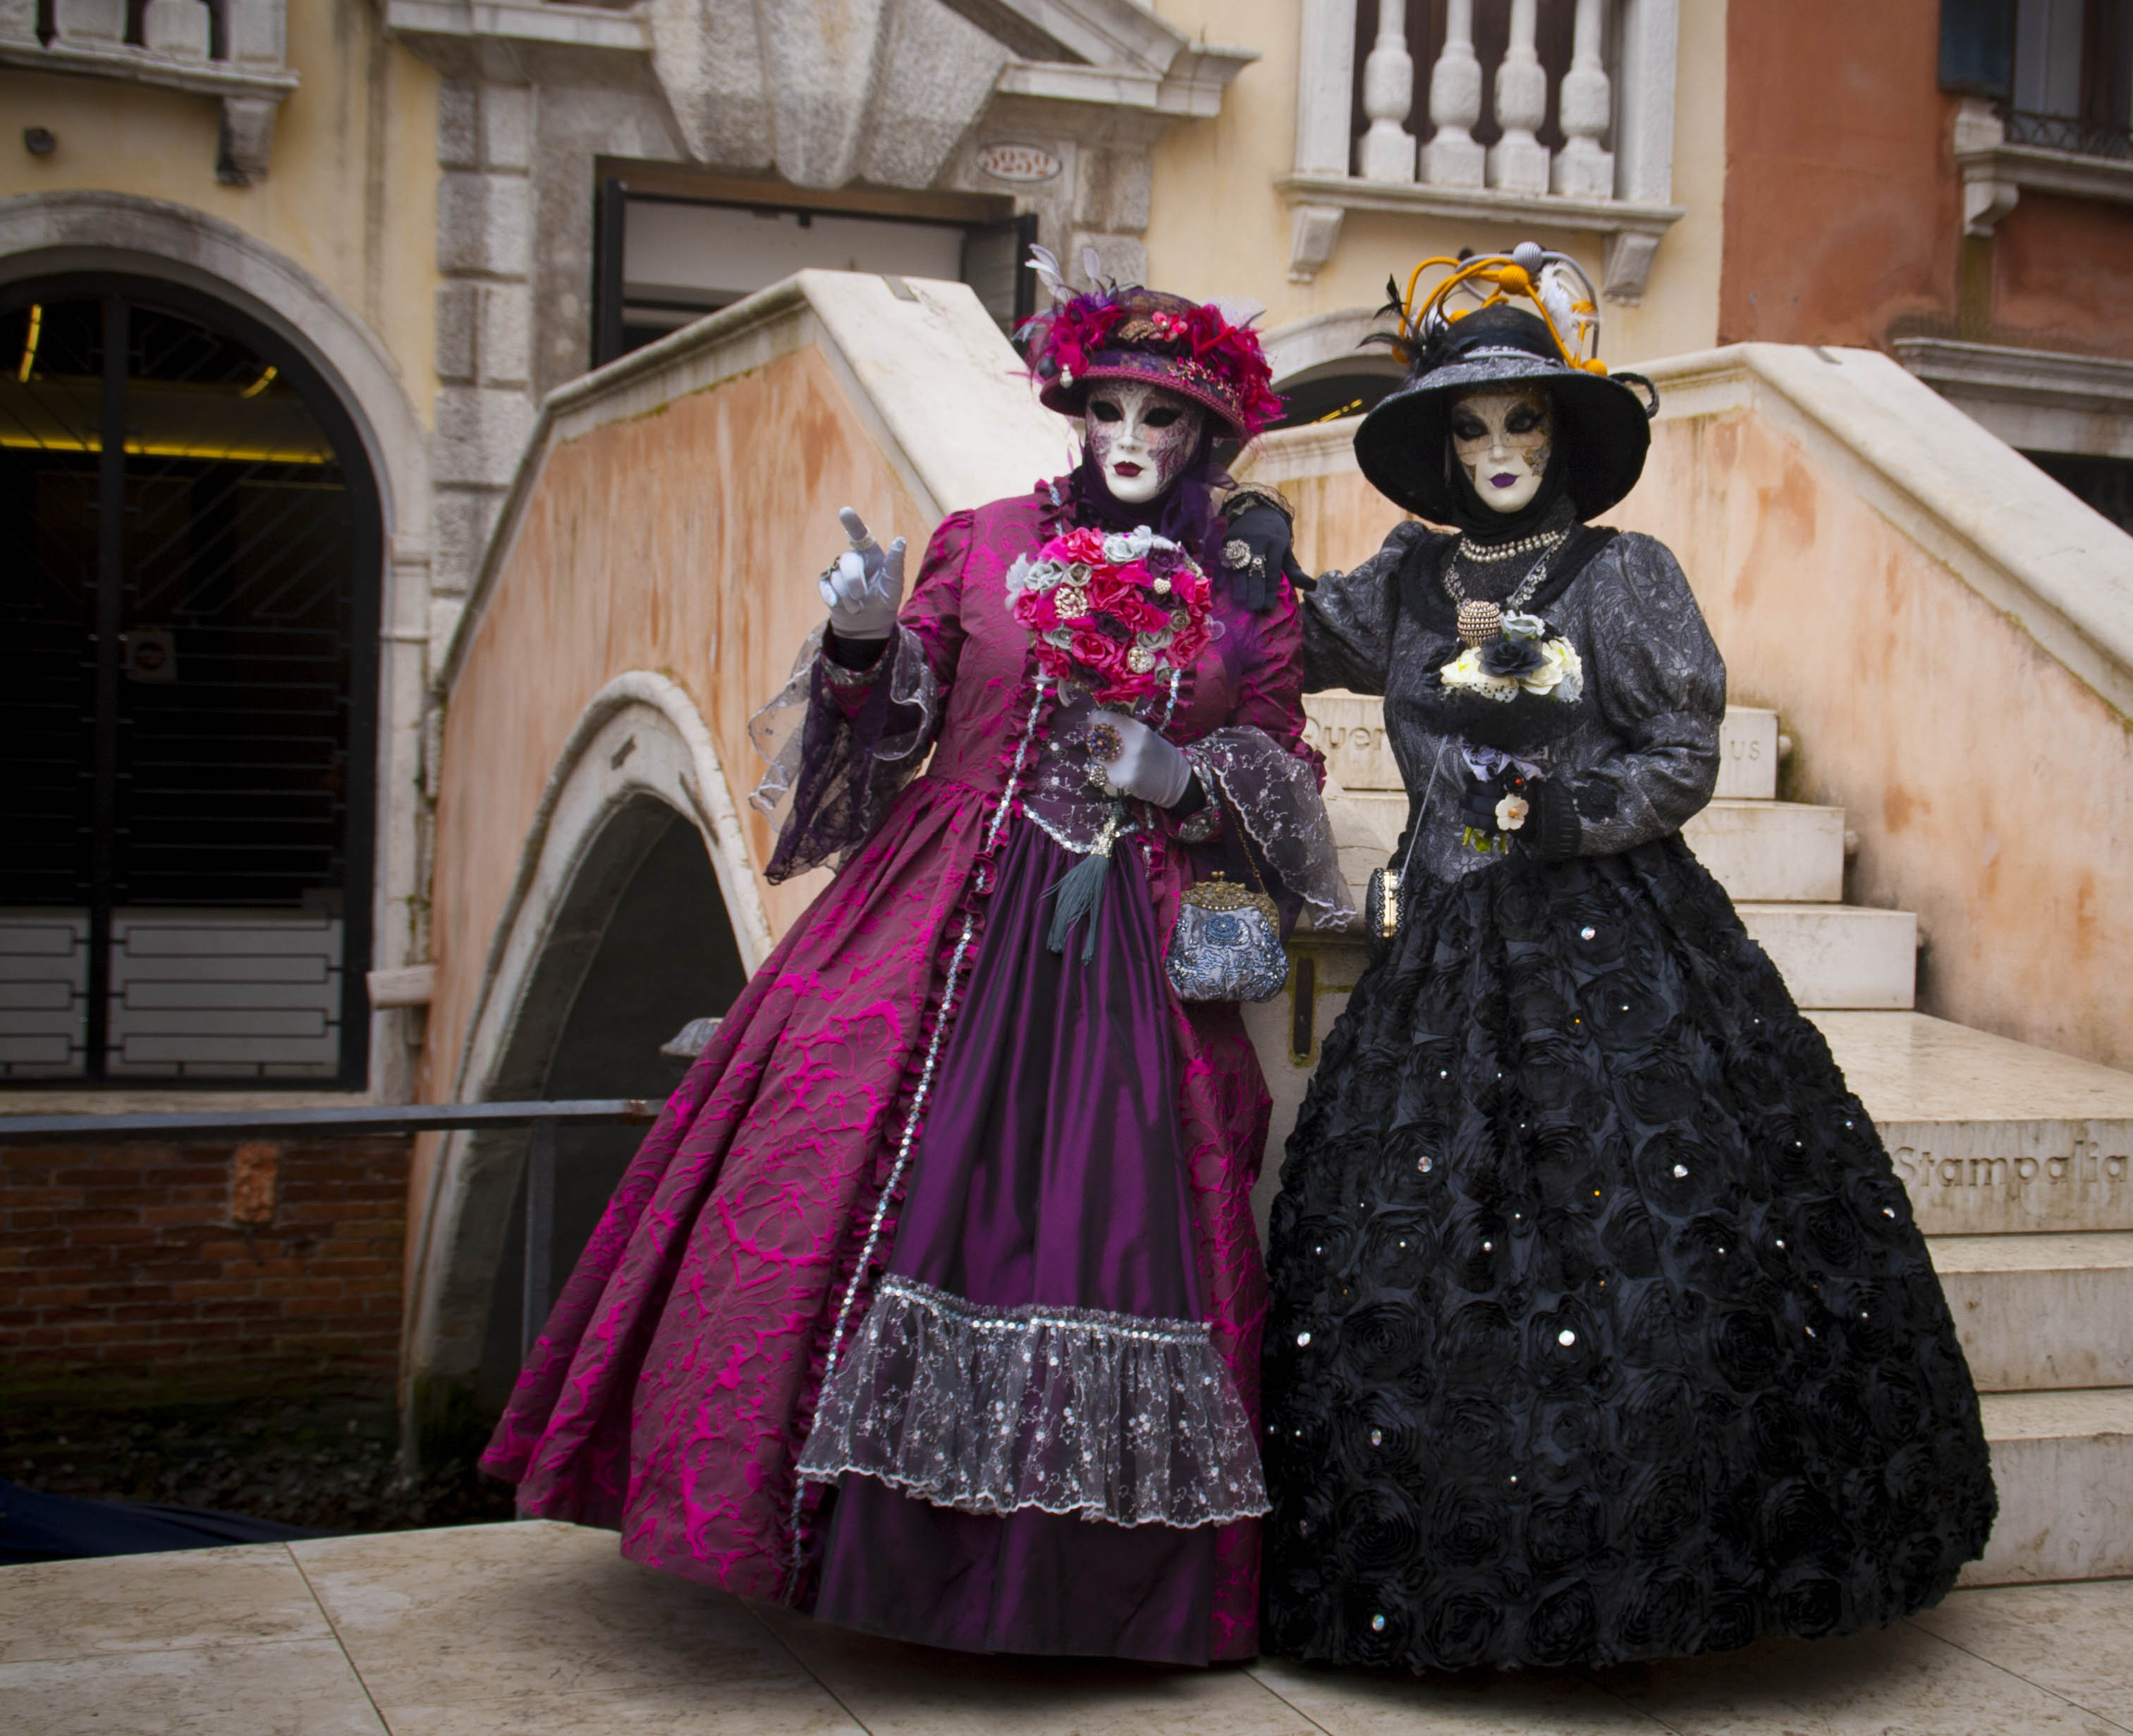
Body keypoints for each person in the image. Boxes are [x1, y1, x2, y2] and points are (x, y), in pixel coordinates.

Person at [483, 263, 1347, 1665]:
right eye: (1110, 408)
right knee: (858, 1182)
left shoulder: (1242, 595)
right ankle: (851, 1551)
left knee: (1109, 1231)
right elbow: (890, 738)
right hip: (935, 918)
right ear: (1074, 411)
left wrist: (1184, 775)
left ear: (1205, 443)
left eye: (1165, 421)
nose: (1132, 437)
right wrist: (863, 642)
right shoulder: (984, 538)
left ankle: (1072, 1587)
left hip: (1127, 944)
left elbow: (1287, 777)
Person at [1259, 248, 1997, 1670]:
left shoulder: (1624, 575)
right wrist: (1220, 543)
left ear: (1562, 434)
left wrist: (1566, 812)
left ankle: (1673, 1561)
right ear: (1438, 444)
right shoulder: (1407, 580)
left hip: (1617, 941)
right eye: (1470, 428)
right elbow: (1288, 640)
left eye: (1523, 422)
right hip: (1446, 948)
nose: (1497, 451)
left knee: (1660, 1220)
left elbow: (1682, 748)